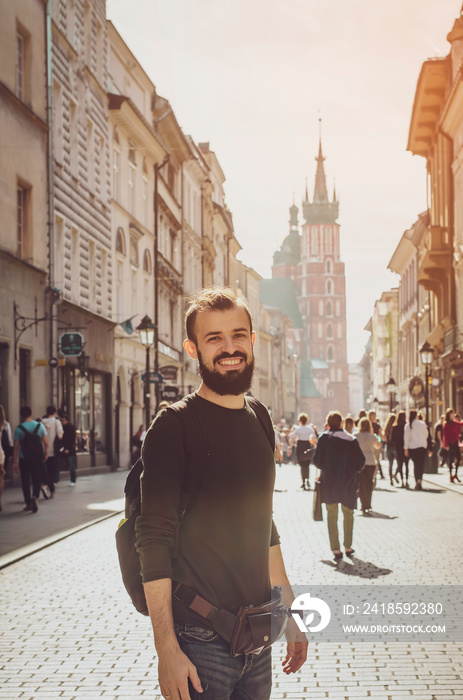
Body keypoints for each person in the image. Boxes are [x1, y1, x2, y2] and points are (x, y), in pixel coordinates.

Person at [135, 287, 307, 700]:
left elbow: (263, 525)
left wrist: (290, 613)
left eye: (238, 335)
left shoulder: (260, 417)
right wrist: (167, 649)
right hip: (198, 642)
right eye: (214, 339)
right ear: (192, 349)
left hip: (257, 633)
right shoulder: (173, 426)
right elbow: (153, 541)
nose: (229, 348)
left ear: (252, 340)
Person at [313, 411, 365, 560]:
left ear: (328, 424)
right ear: (341, 423)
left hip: (330, 482)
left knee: (332, 514)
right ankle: (348, 546)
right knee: (348, 513)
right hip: (348, 481)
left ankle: (335, 549)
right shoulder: (351, 439)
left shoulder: (324, 438)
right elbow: (361, 462)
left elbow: (317, 461)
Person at [13, 406, 48, 512]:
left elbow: (16, 447)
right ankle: (35, 496)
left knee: (25, 480)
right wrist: (45, 454)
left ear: (21, 415)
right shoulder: (39, 426)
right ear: (31, 413)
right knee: (36, 478)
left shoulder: (19, 429)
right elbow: (46, 443)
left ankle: (28, 503)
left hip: (24, 458)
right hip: (37, 457)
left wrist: (15, 462)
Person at [355, 417, 380, 515]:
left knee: (361, 484)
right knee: (369, 483)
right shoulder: (372, 436)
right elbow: (378, 445)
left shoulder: (355, 436)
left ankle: (362, 505)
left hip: (359, 461)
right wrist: (376, 436)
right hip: (370, 461)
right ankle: (368, 504)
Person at [289, 413, 317, 490]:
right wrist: (315, 446)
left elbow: (292, 438)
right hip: (307, 446)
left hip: (300, 446)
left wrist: (290, 448)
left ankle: (303, 481)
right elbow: (314, 438)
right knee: (307, 465)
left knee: (302, 465)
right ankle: (307, 480)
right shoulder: (310, 429)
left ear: (300, 420)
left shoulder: (298, 429)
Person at [404, 409, 429, 490]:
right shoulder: (422, 424)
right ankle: (419, 480)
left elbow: (406, 438)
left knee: (416, 464)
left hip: (413, 447)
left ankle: (417, 480)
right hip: (422, 447)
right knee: (421, 464)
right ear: (416, 415)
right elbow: (426, 434)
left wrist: (406, 448)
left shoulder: (408, 425)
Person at [42, 406, 63, 499]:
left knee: (46, 471)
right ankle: (47, 486)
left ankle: (51, 490)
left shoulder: (42, 422)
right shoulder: (56, 422)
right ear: (54, 413)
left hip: (43, 450)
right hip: (54, 451)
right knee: (52, 471)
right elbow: (60, 435)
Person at [442, 408, 463, 483]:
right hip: (450, 444)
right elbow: (445, 435)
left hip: (455, 443)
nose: (454, 415)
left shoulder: (455, 423)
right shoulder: (446, 424)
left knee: (459, 458)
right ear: (449, 415)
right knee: (451, 459)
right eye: (452, 413)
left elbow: (461, 424)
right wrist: (446, 445)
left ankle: (455, 474)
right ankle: (451, 475)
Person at [391, 411, 409, 488]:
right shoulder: (407, 426)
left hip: (398, 448)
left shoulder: (395, 427)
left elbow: (392, 438)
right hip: (406, 447)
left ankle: (402, 481)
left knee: (400, 465)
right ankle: (406, 481)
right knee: (407, 465)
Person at [60, 415, 77, 486]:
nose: (62, 422)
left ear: (67, 420)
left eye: (63, 420)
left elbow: (71, 440)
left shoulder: (69, 427)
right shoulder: (62, 427)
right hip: (65, 449)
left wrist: (68, 449)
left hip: (70, 450)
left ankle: (73, 480)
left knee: (72, 465)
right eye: (61, 421)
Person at [368, 410, 384, 478]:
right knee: (376, 460)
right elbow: (380, 436)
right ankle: (374, 475)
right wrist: (379, 442)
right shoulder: (378, 426)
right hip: (376, 444)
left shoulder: (367, 425)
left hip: (368, 444)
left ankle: (371, 475)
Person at [383, 413, 397, 486]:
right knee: (399, 463)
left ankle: (391, 479)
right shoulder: (396, 428)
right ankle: (395, 474)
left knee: (390, 464)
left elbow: (383, 438)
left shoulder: (387, 428)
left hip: (388, 447)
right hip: (395, 447)